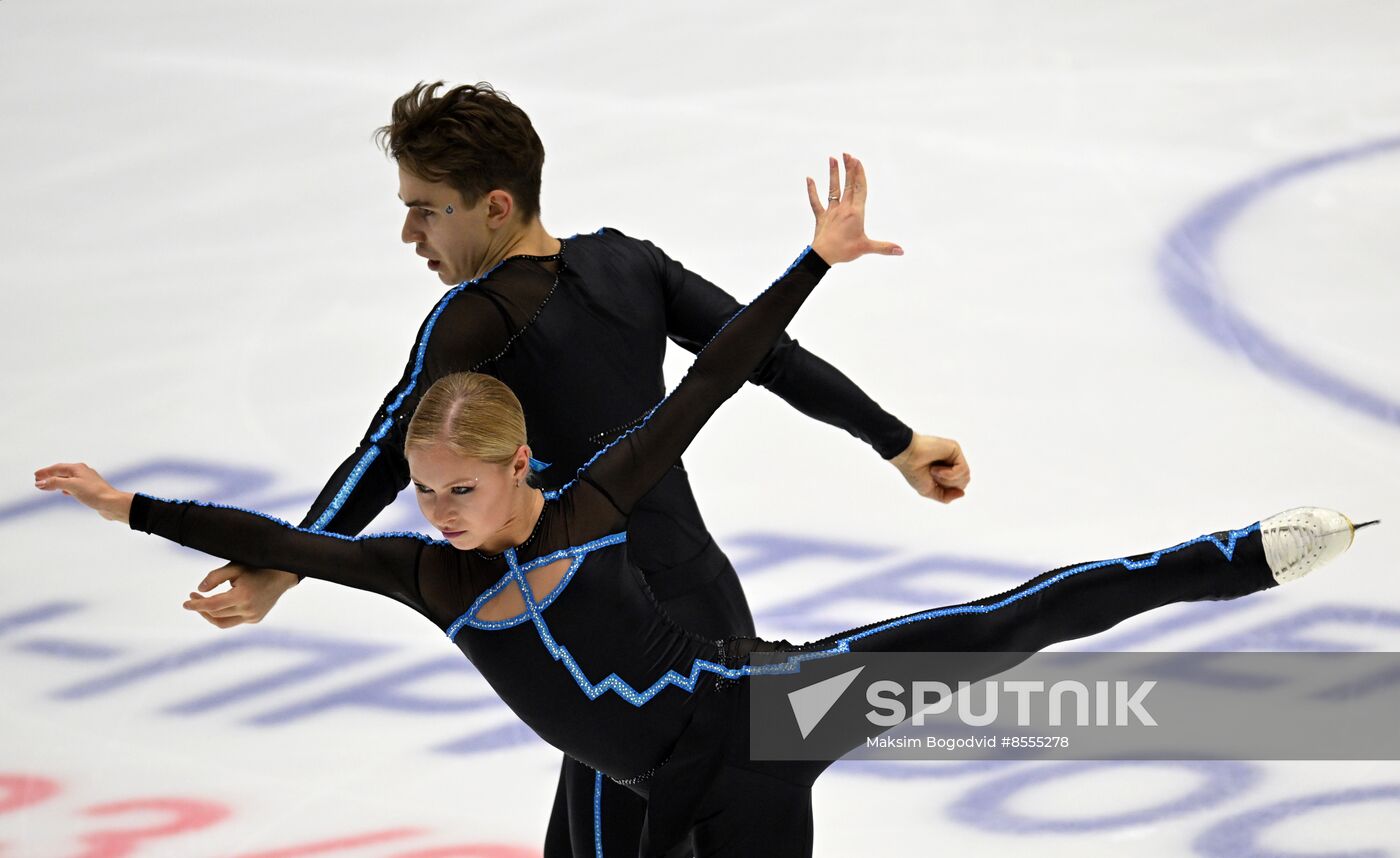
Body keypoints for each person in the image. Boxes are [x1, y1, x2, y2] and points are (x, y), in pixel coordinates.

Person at [35, 156, 1368, 857]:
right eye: (426, 490)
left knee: (999, 626)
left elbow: (720, 372)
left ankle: (1244, 554)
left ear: (522, 471)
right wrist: (129, 504)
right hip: (669, 779)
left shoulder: (596, 501)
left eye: (458, 487)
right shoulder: (428, 575)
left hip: (762, 712)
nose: (434, 508)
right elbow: (291, 539)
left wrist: (816, 264)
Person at [172, 81, 968, 856]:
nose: (412, 234)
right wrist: (897, 441)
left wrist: (285, 565)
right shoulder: (629, 263)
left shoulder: (473, 318)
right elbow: (763, 355)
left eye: (425, 208)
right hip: (709, 604)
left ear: (494, 206)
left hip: (615, 640)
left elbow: (387, 450)